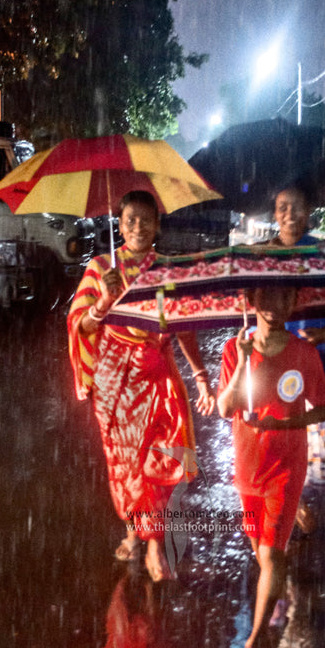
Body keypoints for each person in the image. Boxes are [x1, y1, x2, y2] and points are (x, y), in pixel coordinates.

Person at [68, 190, 214, 582]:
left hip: (157, 378)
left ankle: (153, 542)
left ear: (158, 226)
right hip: (114, 382)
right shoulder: (101, 267)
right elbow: (80, 326)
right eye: (129, 219)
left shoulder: (167, 270)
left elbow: (183, 328)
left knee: (159, 462)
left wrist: (200, 375)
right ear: (119, 223)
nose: (136, 227)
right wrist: (103, 302)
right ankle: (134, 532)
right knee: (126, 465)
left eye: (145, 220)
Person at [217, 285, 325, 648]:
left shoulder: (304, 353)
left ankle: (255, 641)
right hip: (247, 467)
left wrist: (285, 422)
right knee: (260, 551)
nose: (274, 306)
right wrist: (242, 366)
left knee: (273, 553)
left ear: (293, 303)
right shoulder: (235, 349)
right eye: (266, 298)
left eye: (284, 298)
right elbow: (223, 408)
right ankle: (275, 594)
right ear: (252, 300)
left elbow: (322, 411)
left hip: (287, 465)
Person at [268, 184, 325, 523]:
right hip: (273, 360)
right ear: (274, 213)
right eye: (283, 207)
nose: (290, 215)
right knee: (277, 435)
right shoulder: (262, 257)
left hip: (316, 361)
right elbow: (248, 300)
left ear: (308, 214)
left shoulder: (320, 255)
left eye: (297, 208)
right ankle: (289, 501)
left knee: (318, 444)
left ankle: (302, 495)